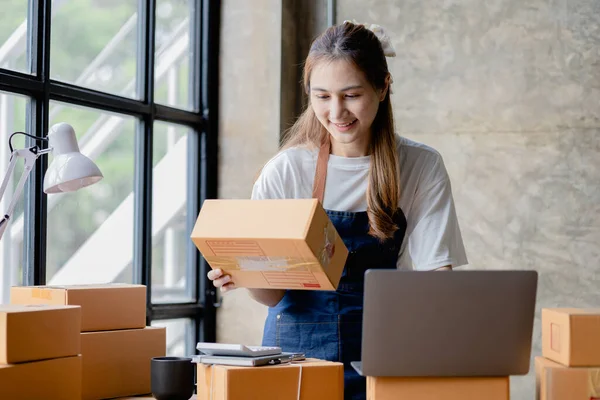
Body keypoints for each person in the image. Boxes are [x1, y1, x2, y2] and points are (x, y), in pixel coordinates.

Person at [207, 20, 468, 400]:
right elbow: (272, 296)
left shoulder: (419, 165)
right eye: (323, 96)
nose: (337, 111)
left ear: (383, 87)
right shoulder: (287, 170)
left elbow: (435, 281)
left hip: (382, 351)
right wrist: (243, 274)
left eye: (351, 94)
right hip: (293, 357)